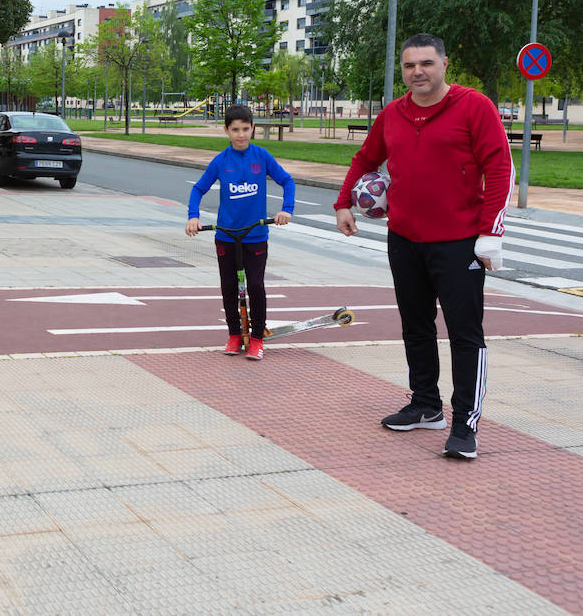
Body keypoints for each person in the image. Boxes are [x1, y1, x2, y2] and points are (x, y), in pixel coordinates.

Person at [335, 33, 512, 460]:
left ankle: (465, 423)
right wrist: (344, 202)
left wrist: (491, 233)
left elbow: (500, 167)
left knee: (465, 335)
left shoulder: (474, 106)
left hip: (459, 244)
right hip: (405, 240)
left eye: (426, 63)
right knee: (416, 326)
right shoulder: (393, 114)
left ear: (444, 64)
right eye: (410, 65)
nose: (418, 72)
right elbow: (365, 158)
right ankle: (425, 405)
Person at [186, 104, 295, 361]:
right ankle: (234, 334)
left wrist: (285, 209)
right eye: (235, 129)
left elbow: (287, 181)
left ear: (252, 128)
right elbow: (197, 189)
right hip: (226, 235)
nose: (241, 134)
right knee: (229, 287)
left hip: (255, 235)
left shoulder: (262, 156)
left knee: (255, 285)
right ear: (226, 130)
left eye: (246, 129)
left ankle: (257, 338)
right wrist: (193, 216)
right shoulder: (221, 161)